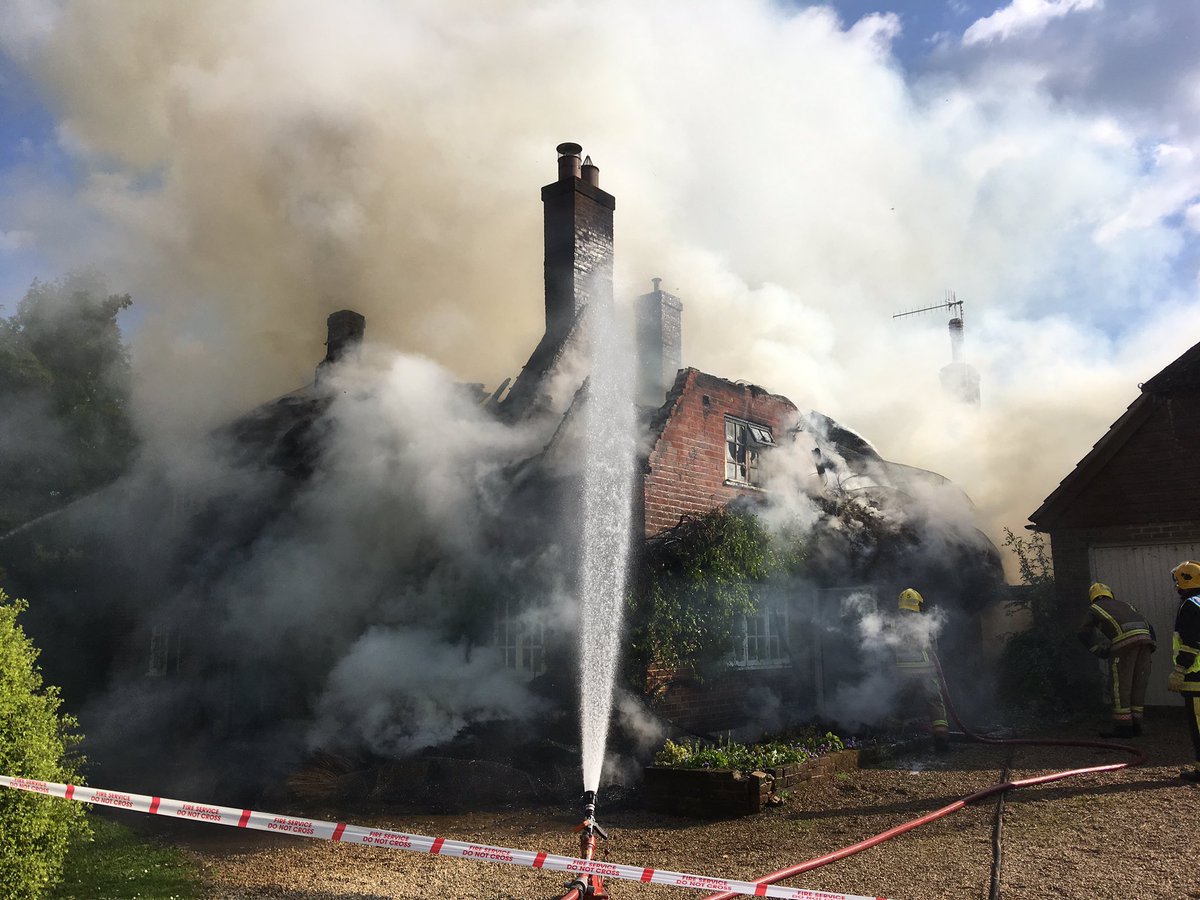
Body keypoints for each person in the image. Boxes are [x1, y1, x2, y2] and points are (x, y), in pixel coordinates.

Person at [1076, 582, 1155, 738]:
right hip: (1145, 642)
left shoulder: (1095, 609)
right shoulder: (1127, 605)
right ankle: (1137, 725)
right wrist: (1151, 645)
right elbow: (1150, 627)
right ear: (1110, 594)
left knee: (1120, 686)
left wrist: (1099, 651)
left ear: (1092, 597)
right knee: (1138, 684)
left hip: (1124, 646)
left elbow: (1083, 633)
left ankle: (1124, 727)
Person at [892, 588, 950, 752]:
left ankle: (892, 735)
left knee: (901, 702)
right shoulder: (924, 623)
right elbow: (934, 646)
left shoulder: (893, 623)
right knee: (935, 702)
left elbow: (887, 646)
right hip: (925, 671)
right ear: (917, 605)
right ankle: (941, 738)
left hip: (904, 672)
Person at [1168, 560, 1200, 782]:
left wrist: (1180, 670)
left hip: (1197, 678)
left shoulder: (1190, 606)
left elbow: (1191, 642)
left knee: (1199, 723)